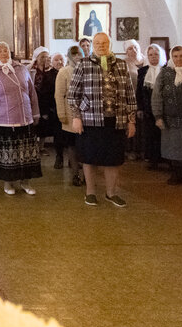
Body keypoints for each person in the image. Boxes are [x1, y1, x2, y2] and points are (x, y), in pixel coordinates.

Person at [67, 32, 137, 207]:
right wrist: (76, 117)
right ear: (93, 45)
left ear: (109, 45)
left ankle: (111, 193)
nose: (100, 46)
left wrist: (131, 120)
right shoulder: (83, 64)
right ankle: (90, 192)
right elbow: (72, 94)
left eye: (104, 43)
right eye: (97, 43)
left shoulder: (121, 65)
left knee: (113, 158)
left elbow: (130, 94)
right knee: (89, 157)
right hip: (90, 119)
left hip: (116, 119)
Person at [0, 42, 42, 195]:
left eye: (6, 50)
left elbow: (32, 93)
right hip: (2, 119)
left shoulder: (22, 69)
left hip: (24, 117)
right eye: (0, 51)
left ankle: (26, 182)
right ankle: (8, 183)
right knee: (9, 154)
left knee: (25, 153)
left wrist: (35, 113)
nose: (4, 53)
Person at [152, 46, 182, 185]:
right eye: (176, 56)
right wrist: (158, 116)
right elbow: (157, 95)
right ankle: (177, 174)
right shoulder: (165, 72)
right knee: (174, 147)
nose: (179, 59)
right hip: (171, 116)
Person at [53, 45, 84, 188]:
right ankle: (75, 174)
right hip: (69, 114)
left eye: (79, 54)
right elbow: (59, 94)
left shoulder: (86, 70)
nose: (77, 56)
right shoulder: (64, 72)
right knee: (72, 145)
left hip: (85, 114)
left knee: (84, 145)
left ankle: (84, 173)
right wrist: (61, 114)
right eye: (74, 54)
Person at [137, 43, 166, 170]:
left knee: (163, 135)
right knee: (150, 135)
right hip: (148, 108)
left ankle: (165, 159)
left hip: (164, 108)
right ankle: (152, 160)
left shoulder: (166, 70)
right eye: (150, 55)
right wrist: (140, 108)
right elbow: (139, 91)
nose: (153, 57)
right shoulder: (143, 71)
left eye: (156, 54)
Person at [31, 47, 57, 160]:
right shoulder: (30, 69)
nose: (44, 59)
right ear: (36, 58)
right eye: (42, 57)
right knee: (33, 126)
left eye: (47, 57)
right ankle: (32, 148)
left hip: (46, 102)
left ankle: (41, 147)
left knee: (44, 125)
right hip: (33, 101)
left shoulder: (51, 71)